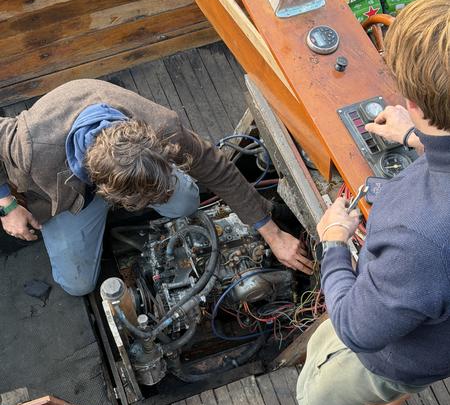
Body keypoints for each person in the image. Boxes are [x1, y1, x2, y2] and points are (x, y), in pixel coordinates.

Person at [253, 0, 450, 405]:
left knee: (319, 398)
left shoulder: (420, 233)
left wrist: (335, 243)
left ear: (412, 97)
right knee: (403, 375)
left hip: (391, 351)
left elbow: (357, 329)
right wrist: (418, 137)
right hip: (437, 346)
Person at [0, 79, 313, 296]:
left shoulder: (163, 128)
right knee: (77, 285)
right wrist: (7, 205)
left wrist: (271, 233)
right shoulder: (29, 144)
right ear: (107, 188)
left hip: (113, 171)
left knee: (184, 201)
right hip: (66, 196)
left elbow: (216, 167)